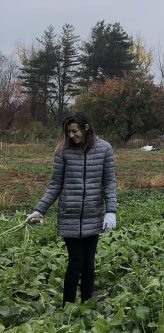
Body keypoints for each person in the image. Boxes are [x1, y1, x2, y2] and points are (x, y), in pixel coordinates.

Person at [26, 112, 117, 306]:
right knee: (76, 261)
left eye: (74, 131)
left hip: (93, 214)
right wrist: (39, 210)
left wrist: (111, 210)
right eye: (68, 132)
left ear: (85, 127)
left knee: (89, 264)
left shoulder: (104, 149)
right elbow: (55, 184)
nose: (71, 135)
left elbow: (109, 182)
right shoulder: (63, 151)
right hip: (70, 215)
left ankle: (86, 304)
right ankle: (67, 306)